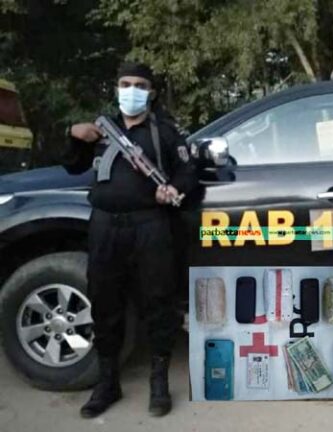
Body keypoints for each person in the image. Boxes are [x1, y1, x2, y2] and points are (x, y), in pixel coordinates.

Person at [62, 62, 197, 417]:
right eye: (125, 83)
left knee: (158, 302)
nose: (131, 91)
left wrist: (173, 189)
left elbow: (187, 172)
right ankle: (107, 383)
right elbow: (72, 166)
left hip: (150, 225)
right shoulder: (99, 130)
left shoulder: (165, 132)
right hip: (105, 226)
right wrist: (73, 135)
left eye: (140, 85)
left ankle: (159, 383)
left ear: (151, 93)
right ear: (116, 87)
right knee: (104, 303)